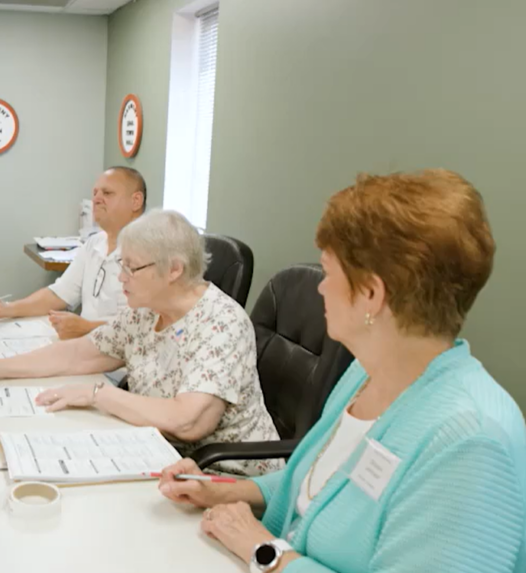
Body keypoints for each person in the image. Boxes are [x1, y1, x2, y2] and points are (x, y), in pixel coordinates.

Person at [158, 170, 526, 573]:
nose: (320, 289)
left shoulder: (470, 441)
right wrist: (219, 491)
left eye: (328, 272)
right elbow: (317, 483)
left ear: (371, 294)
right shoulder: (365, 374)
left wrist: (266, 552)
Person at [0, 210, 281, 476]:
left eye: (132, 267)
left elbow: (189, 421)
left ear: (174, 270)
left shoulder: (221, 321)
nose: (121, 277)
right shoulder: (145, 312)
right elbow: (78, 355)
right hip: (162, 454)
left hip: (225, 476)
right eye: (121, 265)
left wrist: (99, 395)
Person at [0, 166, 146, 340]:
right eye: (95, 193)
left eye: (107, 193)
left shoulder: (150, 253)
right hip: (87, 347)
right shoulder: (94, 243)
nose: (96, 199)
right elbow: (58, 294)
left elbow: (143, 326)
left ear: (136, 200)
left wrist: (88, 328)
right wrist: (7, 309)